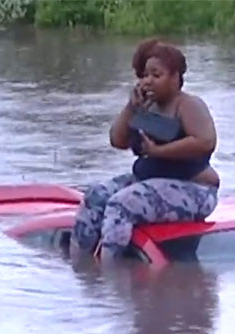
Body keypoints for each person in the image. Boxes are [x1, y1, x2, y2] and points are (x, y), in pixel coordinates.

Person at [71, 38, 220, 259]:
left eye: (156, 75)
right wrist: (131, 107)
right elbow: (117, 140)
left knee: (122, 204)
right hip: (147, 181)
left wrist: (159, 151)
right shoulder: (146, 105)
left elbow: (206, 141)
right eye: (144, 75)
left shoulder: (188, 105)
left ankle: (111, 274)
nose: (148, 81)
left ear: (175, 77)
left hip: (195, 190)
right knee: (96, 195)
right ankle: (81, 266)